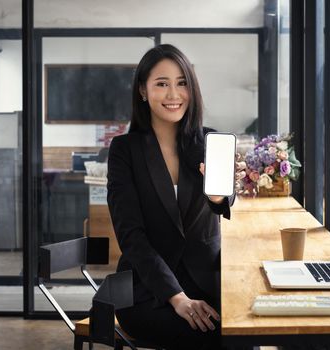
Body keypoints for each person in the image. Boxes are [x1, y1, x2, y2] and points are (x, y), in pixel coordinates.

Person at [107, 44, 241, 350]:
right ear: (143, 91)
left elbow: (222, 204)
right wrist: (177, 297)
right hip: (146, 290)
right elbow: (131, 236)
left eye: (182, 83)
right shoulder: (124, 151)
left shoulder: (210, 140)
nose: (173, 94)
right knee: (215, 337)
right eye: (162, 84)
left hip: (207, 282)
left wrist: (221, 196)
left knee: (247, 333)